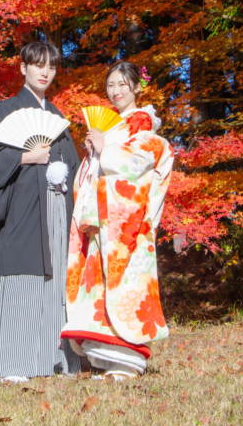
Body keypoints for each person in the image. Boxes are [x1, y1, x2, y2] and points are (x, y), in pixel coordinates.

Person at [0, 41, 85, 383]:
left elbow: (74, 166)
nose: (45, 71)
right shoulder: (5, 111)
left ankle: (58, 359)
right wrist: (24, 158)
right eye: (38, 65)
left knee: (57, 280)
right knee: (24, 276)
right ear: (23, 68)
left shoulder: (57, 118)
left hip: (56, 208)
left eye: (51, 66)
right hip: (22, 209)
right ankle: (16, 364)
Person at [61, 61, 174, 380]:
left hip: (127, 227)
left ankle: (127, 362)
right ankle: (108, 362)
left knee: (126, 287)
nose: (116, 91)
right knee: (98, 288)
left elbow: (135, 166)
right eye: (111, 85)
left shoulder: (142, 126)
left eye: (123, 84)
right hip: (102, 223)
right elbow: (90, 177)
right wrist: (93, 156)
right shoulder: (113, 127)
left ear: (137, 87)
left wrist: (105, 152)